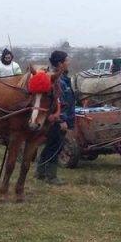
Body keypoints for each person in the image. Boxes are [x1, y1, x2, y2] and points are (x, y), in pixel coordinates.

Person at [36, 50, 75, 185]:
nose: (68, 62)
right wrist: (62, 119)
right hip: (57, 120)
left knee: (51, 145)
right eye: (66, 60)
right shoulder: (58, 80)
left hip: (59, 119)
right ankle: (51, 176)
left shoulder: (63, 78)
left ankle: (40, 172)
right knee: (55, 146)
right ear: (60, 63)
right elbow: (59, 102)